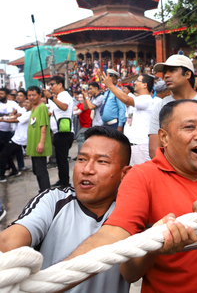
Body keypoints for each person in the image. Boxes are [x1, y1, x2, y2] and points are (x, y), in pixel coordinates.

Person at [65, 99, 197, 293]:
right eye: (189, 127)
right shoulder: (142, 177)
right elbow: (128, 271)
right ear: (164, 137)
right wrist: (154, 245)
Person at [0, 126, 132, 293]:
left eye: (101, 161)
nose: (87, 170)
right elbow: (9, 241)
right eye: (82, 159)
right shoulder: (53, 200)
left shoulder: (131, 212)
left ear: (125, 174)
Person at [149, 55, 197, 159]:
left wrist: (191, 168)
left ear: (188, 74)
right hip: (170, 173)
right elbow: (154, 149)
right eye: (165, 72)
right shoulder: (160, 106)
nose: (166, 75)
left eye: (172, 70)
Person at [103, 72, 155, 165]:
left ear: (145, 85)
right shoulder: (138, 99)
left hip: (140, 146)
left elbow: (126, 99)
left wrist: (110, 85)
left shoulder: (146, 99)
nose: (134, 83)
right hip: (133, 145)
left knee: (141, 177)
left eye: (137, 81)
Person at [44, 76, 75, 188]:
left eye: (52, 84)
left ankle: (65, 183)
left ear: (60, 84)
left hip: (64, 132)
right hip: (59, 132)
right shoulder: (58, 97)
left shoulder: (64, 95)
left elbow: (64, 107)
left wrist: (51, 97)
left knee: (62, 159)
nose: (51, 87)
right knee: (60, 158)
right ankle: (62, 179)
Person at [26, 86, 53, 192]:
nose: (31, 97)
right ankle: (43, 191)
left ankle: (46, 193)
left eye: (34, 95)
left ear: (40, 95)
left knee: (41, 171)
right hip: (33, 145)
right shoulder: (33, 108)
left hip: (39, 145)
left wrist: (41, 142)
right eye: (29, 95)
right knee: (37, 171)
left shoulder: (42, 107)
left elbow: (43, 126)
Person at [0, 98, 30, 181]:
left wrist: (2, 119)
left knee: (4, 154)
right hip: (17, 137)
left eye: (28, 103)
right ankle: (14, 170)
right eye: (25, 102)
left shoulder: (30, 113)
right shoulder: (25, 112)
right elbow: (16, 115)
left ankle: (1, 176)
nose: (25, 104)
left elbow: (16, 120)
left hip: (19, 139)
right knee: (6, 153)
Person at [0, 87, 18, 154]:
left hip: (9, 132)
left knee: (8, 152)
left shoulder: (12, 103)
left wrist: (14, 113)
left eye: (2, 94)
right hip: (0, 131)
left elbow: (20, 110)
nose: (0, 95)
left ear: (7, 95)